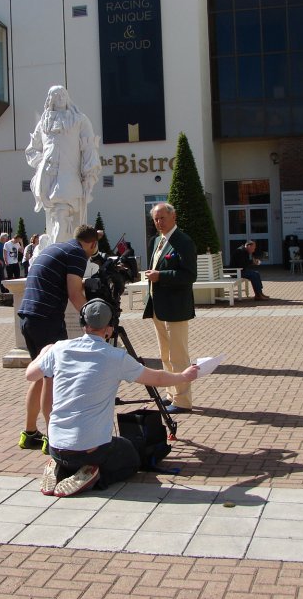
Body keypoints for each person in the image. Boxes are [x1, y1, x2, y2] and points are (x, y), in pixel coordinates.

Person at [27, 298, 200, 497]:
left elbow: (30, 375)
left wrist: (44, 351)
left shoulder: (59, 349)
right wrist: (184, 376)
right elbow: (156, 377)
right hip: (91, 450)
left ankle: (60, 467)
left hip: (55, 446)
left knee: (74, 453)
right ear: (110, 328)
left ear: (83, 324)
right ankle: (95, 476)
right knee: (131, 457)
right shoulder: (116, 357)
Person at [17, 224, 100, 452]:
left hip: (28, 316)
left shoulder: (58, 249)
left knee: (40, 374)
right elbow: (74, 294)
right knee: (52, 379)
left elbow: (63, 284)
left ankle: (30, 433)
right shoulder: (77, 254)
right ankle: (53, 439)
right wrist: (95, 322)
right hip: (46, 318)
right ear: (92, 244)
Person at [25, 85, 101, 243]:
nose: (60, 98)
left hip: (68, 175)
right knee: (55, 215)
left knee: (62, 213)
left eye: (63, 94)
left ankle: (59, 252)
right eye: (56, 95)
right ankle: (60, 250)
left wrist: (90, 173)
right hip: (48, 177)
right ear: (50, 99)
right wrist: (42, 163)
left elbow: (89, 147)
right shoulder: (43, 123)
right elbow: (31, 150)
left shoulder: (79, 119)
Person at [143, 203, 196, 414]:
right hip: (158, 306)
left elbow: (190, 275)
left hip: (175, 308)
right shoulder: (157, 241)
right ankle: (171, 394)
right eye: (155, 219)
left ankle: (183, 401)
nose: (158, 223)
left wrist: (160, 276)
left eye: (162, 218)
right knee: (165, 355)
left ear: (173, 217)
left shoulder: (183, 241)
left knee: (179, 356)